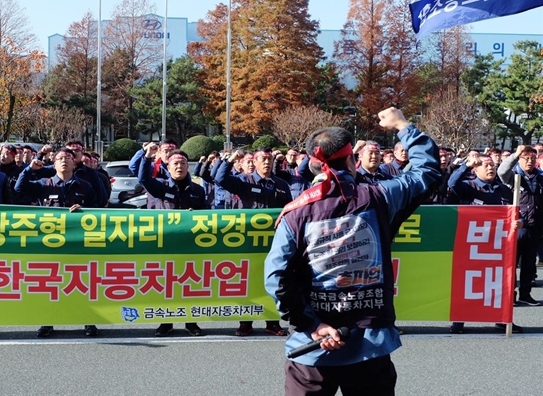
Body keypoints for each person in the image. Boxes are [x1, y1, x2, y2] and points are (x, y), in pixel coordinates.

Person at [265, 107, 441, 396]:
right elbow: (427, 170)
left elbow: (277, 278)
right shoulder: (380, 197)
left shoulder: (295, 214)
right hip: (369, 344)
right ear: (352, 160)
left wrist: (312, 324)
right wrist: (402, 125)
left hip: (312, 350)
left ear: (314, 166)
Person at [14, 148, 100, 338]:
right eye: (60, 158)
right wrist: (29, 168)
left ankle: (87, 320)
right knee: (50, 284)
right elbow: (19, 189)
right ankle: (47, 321)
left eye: (68, 158)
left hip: (78, 244)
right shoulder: (44, 184)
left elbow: (98, 209)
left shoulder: (84, 186)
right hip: (50, 245)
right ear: (54, 163)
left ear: (74, 163)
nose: (64, 161)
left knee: (80, 283)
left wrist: (84, 210)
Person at [215, 147, 291, 337]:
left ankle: (272, 322)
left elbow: (290, 211)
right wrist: (230, 159)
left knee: (273, 281)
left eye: (269, 159)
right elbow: (220, 179)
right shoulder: (243, 182)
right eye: (262, 159)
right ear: (254, 162)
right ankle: (245, 323)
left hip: (272, 242)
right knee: (247, 282)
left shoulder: (281, 184)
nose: (266, 162)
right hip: (248, 243)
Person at [448, 152, 524, 333]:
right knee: (467, 282)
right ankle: (459, 320)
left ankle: (502, 318)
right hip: (472, 244)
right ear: (475, 169)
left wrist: (518, 222)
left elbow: (515, 213)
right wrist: (465, 166)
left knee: (502, 282)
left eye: (492, 165)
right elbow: (451, 184)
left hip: (498, 245)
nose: (491, 168)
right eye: (486, 165)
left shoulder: (504, 189)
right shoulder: (469, 186)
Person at [138, 144, 206, 337]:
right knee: (166, 285)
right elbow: (143, 179)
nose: (179, 167)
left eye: (183, 163)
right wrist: (147, 157)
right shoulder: (161, 187)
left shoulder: (198, 190)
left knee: (189, 284)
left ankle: (191, 322)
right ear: (168, 167)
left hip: (189, 245)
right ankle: (165, 322)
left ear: (188, 167)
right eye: (175, 163)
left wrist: (196, 216)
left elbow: (209, 215)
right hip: (165, 245)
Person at [497, 145, 543, 307]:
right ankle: (510, 295)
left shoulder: (540, 177)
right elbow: (501, 171)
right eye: (526, 158)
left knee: (529, 264)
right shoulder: (513, 175)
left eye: (532, 158)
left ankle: (525, 294)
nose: (529, 161)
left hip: (535, 226)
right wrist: (516, 154)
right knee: (511, 263)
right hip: (516, 226)